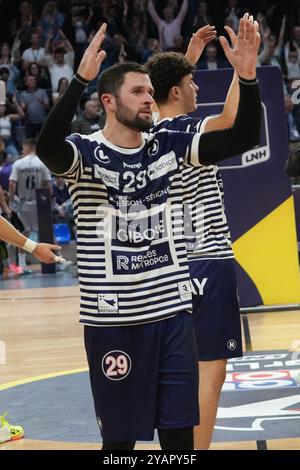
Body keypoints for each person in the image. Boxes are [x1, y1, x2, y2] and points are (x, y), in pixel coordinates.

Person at [36, 21, 261, 450]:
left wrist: (247, 78)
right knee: (119, 448)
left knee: (179, 443)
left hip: (173, 315)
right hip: (113, 322)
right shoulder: (86, 153)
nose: (147, 100)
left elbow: (243, 135)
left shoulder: (168, 145)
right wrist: (79, 79)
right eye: (137, 93)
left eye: (148, 92)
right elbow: (49, 147)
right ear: (107, 101)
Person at [147, 15, 260, 449]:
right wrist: (241, 68)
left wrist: (184, 61)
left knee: (176, 372)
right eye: (192, 83)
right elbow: (233, 119)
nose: (198, 89)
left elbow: (159, 96)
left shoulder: (147, 131)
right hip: (206, 262)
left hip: (165, 265)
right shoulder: (185, 129)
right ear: (176, 91)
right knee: (210, 372)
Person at [9, 138, 52, 273]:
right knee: (45, 233)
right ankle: (55, 261)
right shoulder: (42, 163)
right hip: (38, 203)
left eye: (22, 148)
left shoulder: (18, 164)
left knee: (25, 233)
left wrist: (11, 201)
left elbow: (12, 184)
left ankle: (22, 265)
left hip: (23, 203)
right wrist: (48, 202)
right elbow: (47, 184)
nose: (22, 151)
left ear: (28, 147)